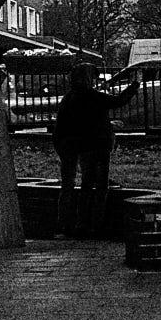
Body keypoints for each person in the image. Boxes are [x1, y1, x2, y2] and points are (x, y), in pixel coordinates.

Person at [52, 64, 114, 239]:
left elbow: (62, 125)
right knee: (96, 184)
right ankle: (91, 225)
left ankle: (66, 224)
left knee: (72, 185)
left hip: (68, 145)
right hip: (86, 144)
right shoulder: (89, 96)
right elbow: (115, 102)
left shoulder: (69, 98)